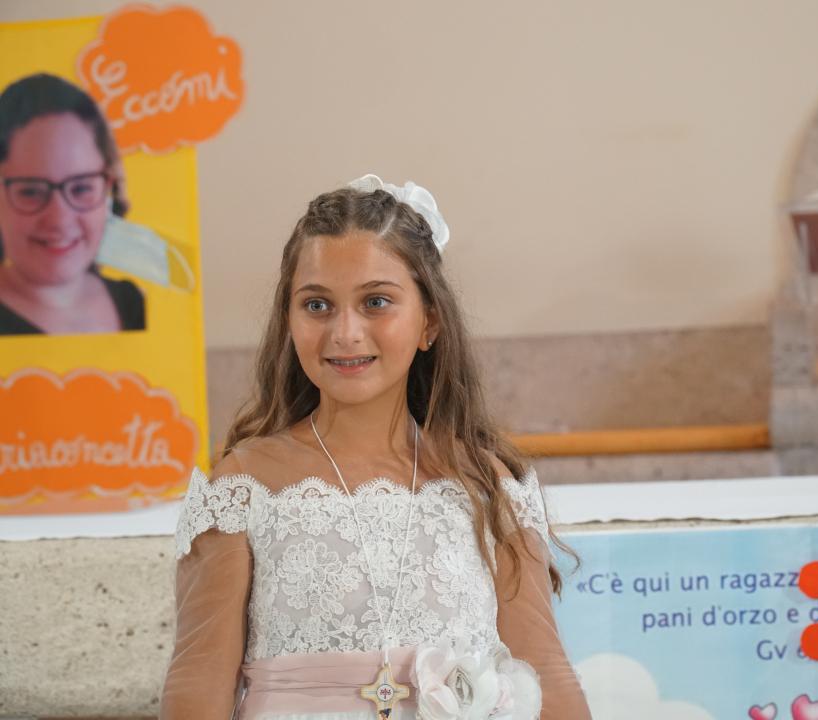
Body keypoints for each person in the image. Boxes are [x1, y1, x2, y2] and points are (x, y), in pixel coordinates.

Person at [159, 175, 591, 719]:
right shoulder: (241, 488)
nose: (345, 332)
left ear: (429, 320)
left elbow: (546, 672)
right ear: (289, 320)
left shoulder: (487, 486)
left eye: (376, 302)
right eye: (317, 305)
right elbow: (198, 683)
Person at [0, 73, 145, 336]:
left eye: (81, 188)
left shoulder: (132, 302)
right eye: (31, 192)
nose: (59, 218)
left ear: (108, 188)